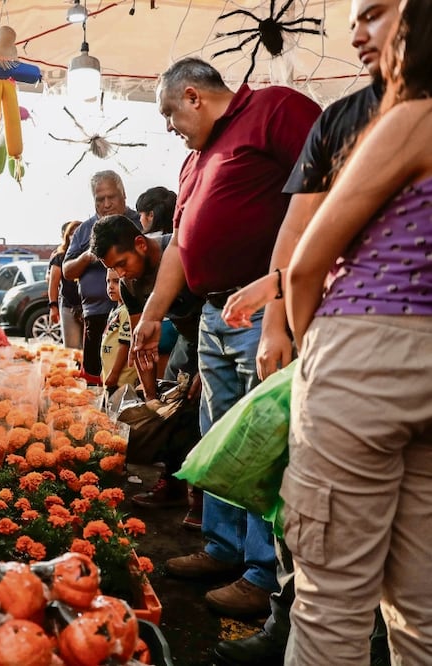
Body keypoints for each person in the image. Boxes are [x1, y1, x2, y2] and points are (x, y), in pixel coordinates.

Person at [226, 1, 430, 663]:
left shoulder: (412, 115)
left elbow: (307, 258)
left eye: (375, 14)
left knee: (330, 605)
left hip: (366, 355)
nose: (356, 33)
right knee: (423, 610)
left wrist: (312, 351)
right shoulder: (357, 117)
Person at [132, 57, 320, 619]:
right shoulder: (194, 161)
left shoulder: (274, 109)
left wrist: (282, 309)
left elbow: (321, 194)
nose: (170, 127)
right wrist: (150, 313)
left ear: (192, 96)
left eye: (169, 113)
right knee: (219, 439)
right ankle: (224, 547)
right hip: (215, 317)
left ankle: (265, 574)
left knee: (263, 445)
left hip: (265, 310)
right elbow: (182, 247)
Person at [91, 214, 203, 518]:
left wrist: (206, 369)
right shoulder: (130, 285)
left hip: (215, 335)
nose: (121, 274)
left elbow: (216, 312)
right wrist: (151, 397)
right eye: (112, 269)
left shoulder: (182, 252)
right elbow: (142, 345)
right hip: (187, 338)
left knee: (200, 411)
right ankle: (174, 487)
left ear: (140, 244)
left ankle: (204, 499)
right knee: (168, 410)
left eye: (122, 263)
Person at [62, 170, 139, 382]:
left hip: (133, 316)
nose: (106, 204)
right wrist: (87, 257)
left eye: (111, 197)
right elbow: (67, 271)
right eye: (100, 199)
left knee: (127, 377)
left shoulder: (138, 223)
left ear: (123, 195)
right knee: (95, 377)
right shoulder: (84, 230)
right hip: (95, 316)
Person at [99, 267, 137, 392]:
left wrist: (114, 373)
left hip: (121, 379)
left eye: (116, 281)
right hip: (111, 374)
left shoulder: (126, 312)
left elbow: (125, 345)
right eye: (108, 281)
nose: (110, 286)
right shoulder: (116, 310)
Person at [48, 220, 84, 349]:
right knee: (72, 348)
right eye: (72, 233)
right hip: (68, 306)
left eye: (78, 233)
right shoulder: (60, 256)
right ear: (67, 236)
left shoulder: (92, 255)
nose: (75, 236)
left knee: (90, 349)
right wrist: (53, 307)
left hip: (91, 307)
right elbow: (53, 283)